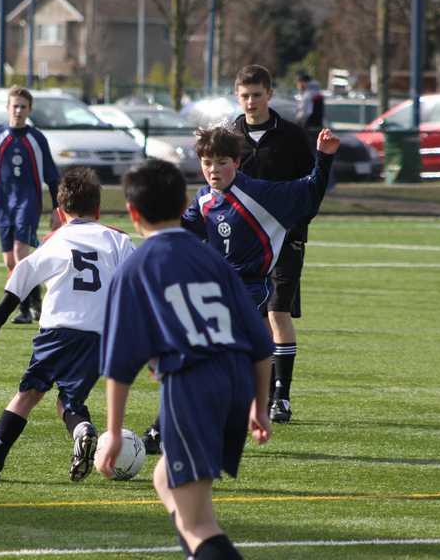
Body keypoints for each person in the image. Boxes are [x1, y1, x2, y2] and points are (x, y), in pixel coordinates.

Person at [96, 159, 273, 560]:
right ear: (184, 206)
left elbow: (120, 366)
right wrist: (259, 406)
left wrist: (114, 433)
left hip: (192, 384)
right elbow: (262, 343)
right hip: (236, 381)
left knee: (198, 523)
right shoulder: (213, 260)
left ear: (132, 213)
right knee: (164, 478)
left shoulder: (136, 267)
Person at [140, 124, 340, 453]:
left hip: (249, 291)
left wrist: (324, 157)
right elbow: (182, 232)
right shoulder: (204, 199)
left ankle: (165, 431)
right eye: (207, 162)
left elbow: (309, 192)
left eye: (221, 162)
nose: (213, 170)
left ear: (236, 162)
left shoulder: (261, 195)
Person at [0, 167, 136, 483]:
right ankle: (81, 429)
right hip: (99, 335)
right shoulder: (119, 240)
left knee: (28, 394)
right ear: (98, 209)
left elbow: (16, 288)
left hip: (58, 330)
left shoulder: (56, 240)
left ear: (60, 211)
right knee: (69, 401)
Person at [233, 64, 319, 424]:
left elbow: (312, 185)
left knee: (277, 312)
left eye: (257, 95)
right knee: (252, 319)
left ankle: (281, 396)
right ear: (237, 96)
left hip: (285, 240)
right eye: (245, 96)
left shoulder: (292, 136)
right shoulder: (229, 137)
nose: (251, 102)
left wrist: (298, 226)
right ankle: (262, 393)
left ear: (269, 94)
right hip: (245, 246)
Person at [0, 86, 61, 324]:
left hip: (28, 203)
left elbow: (52, 177)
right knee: (9, 261)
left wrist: (57, 209)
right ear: (7, 108)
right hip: (4, 205)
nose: (18, 111)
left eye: (23, 107)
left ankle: (24, 310)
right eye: (15, 106)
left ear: (29, 110)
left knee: (20, 252)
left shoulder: (36, 139)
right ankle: (35, 300)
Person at [296, 72, 326, 137]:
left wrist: (298, 121)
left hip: (309, 127)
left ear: (303, 83)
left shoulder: (308, 95)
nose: (298, 86)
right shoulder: (318, 93)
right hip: (318, 126)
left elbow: (305, 113)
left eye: (298, 83)